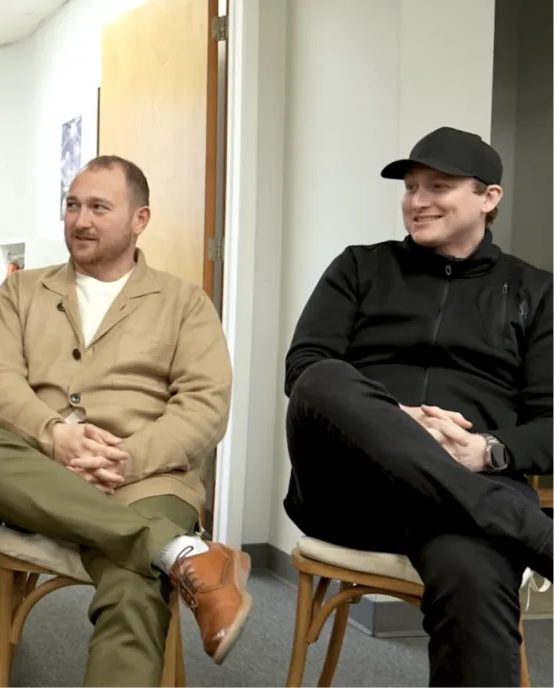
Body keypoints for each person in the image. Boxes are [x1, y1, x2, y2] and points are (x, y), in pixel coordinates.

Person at [0, 155, 251, 688]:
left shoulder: (184, 301)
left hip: (150, 479)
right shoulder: (21, 291)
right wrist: (55, 436)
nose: (80, 220)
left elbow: (205, 405)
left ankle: (155, 547)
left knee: (133, 586)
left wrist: (127, 458)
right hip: (40, 471)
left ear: (140, 219)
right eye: (72, 205)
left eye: (98, 208)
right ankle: (180, 552)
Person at [283, 126, 554, 688]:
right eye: (410, 187)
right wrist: (394, 418)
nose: (417, 201)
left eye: (439, 186)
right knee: (324, 377)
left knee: (476, 576)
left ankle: (498, 517)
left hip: (459, 502)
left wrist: (488, 450)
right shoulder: (359, 267)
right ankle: (527, 529)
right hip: (352, 489)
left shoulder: (538, 293)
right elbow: (303, 371)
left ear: (489, 197)